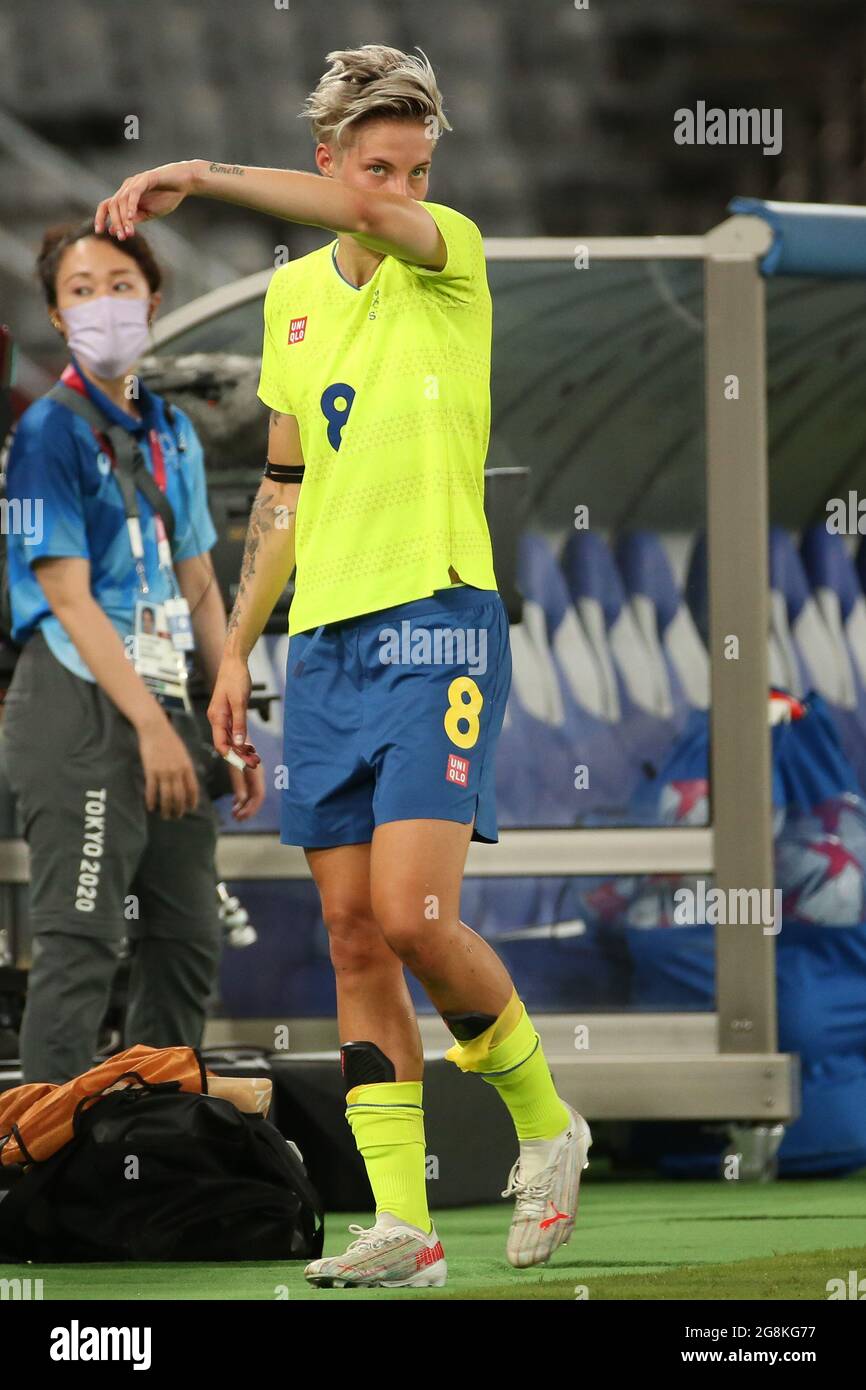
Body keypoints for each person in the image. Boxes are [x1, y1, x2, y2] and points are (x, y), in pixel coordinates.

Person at [95, 44, 590, 1287]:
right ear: (328, 157)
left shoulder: (448, 255)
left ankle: (546, 1123)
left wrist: (196, 172)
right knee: (351, 938)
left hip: (438, 622)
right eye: (380, 165)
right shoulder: (293, 301)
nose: (404, 188)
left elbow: (379, 223)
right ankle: (403, 1227)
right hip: (326, 648)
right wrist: (235, 648)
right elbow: (282, 487)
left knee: (417, 918)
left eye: (418, 167)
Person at [3, 221, 265, 1085]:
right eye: (80, 291)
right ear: (54, 314)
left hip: (167, 706)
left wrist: (228, 700)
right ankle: (41, 1180)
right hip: (78, 704)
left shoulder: (173, 432)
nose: (102, 303)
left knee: (186, 940)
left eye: (119, 284)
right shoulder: (50, 434)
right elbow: (68, 598)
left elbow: (196, 581)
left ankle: (152, 1157)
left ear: (153, 301)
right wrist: (151, 727)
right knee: (79, 942)